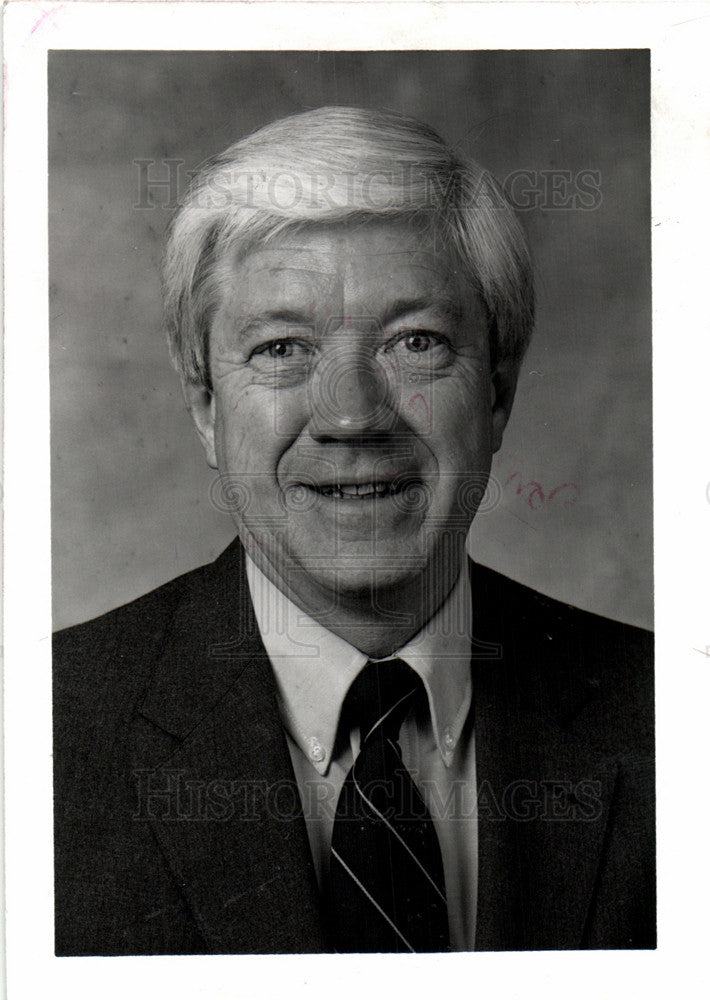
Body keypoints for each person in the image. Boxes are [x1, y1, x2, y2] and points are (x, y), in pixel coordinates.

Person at [53, 106, 655, 955]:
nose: (351, 416)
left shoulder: (674, 722)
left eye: (416, 342)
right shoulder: (43, 734)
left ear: (497, 393)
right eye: (281, 349)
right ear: (203, 402)